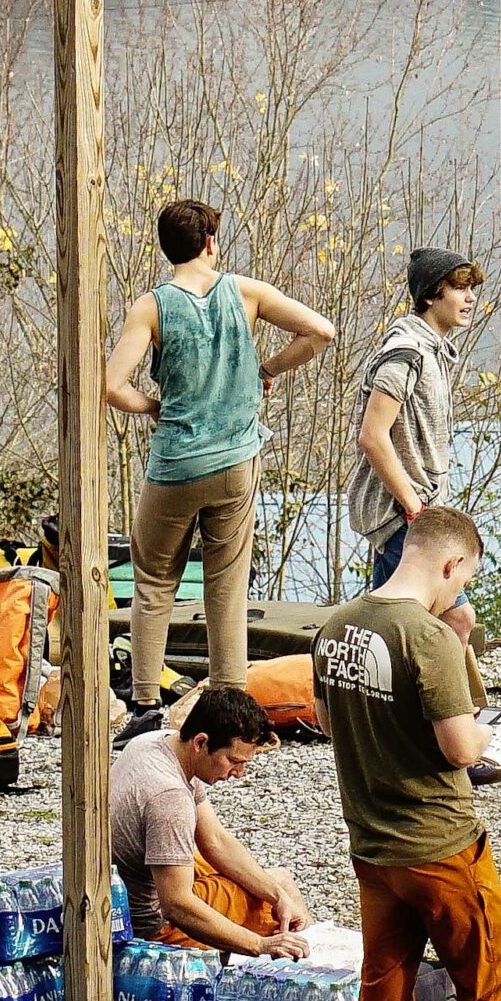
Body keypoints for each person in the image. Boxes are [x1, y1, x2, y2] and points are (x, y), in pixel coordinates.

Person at [311, 506, 501, 1001]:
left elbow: (329, 715)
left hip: (372, 847)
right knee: (484, 993)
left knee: (382, 998)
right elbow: (460, 746)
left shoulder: (337, 627)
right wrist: (492, 734)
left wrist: (458, 641)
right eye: (463, 582)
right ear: (451, 564)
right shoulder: (422, 636)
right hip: (440, 845)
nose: (459, 595)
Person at [102, 197, 335, 734]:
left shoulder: (152, 306)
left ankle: (143, 708)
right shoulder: (246, 292)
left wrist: (154, 407)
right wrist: (265, 369)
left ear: (167, 248)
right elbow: (320, 332)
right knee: (226, 584)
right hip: (235, 462)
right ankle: (230, 704)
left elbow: (113, 386)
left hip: (176, 466)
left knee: (154, 584)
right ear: (210, 242)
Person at [347, 247, 485, 662]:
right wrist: (414, 508)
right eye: (460, 288)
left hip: (414, 513)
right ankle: (446, 718)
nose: (470, 298)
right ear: (430, 295)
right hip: (402, 514)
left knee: (387, 630)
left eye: (471, 288)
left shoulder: (432, 350)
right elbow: (372, 437)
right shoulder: (405, 353)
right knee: (455, 619)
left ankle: (384, 712)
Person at [111, 685, 314, 958]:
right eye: (233, 760)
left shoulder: (157, 742)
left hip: (131, 878)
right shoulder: (169, 797)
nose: (239, 773)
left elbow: (215, 841)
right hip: (152, 923)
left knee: (280, 887)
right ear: (200, 742)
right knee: (278, 914)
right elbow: (176, 905)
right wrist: (260, 944)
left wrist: (277, 894)